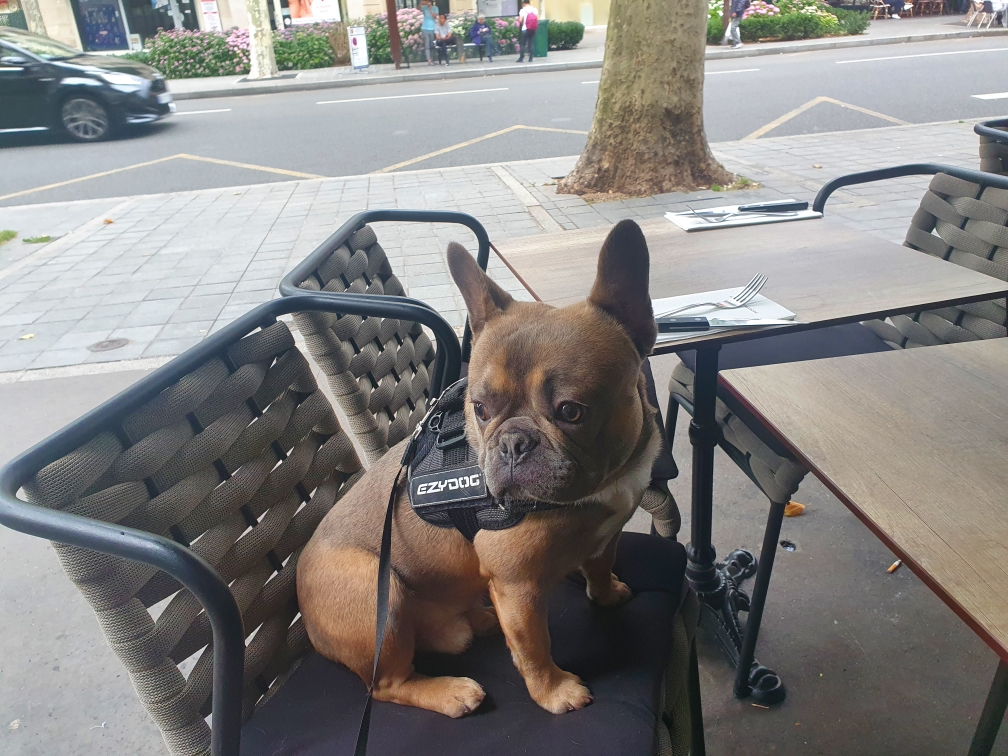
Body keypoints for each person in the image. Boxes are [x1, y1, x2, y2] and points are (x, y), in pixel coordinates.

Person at [420, 0, 437, 65]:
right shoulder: (424, 7)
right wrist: (421, 3)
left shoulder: (435, 8)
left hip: (432, 28)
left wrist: (430, 9)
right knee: (427, 45)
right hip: (425, 28)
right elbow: (418, 9)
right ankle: (429, 60)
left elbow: (435, 16)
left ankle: (431, 59)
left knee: (432, 44)